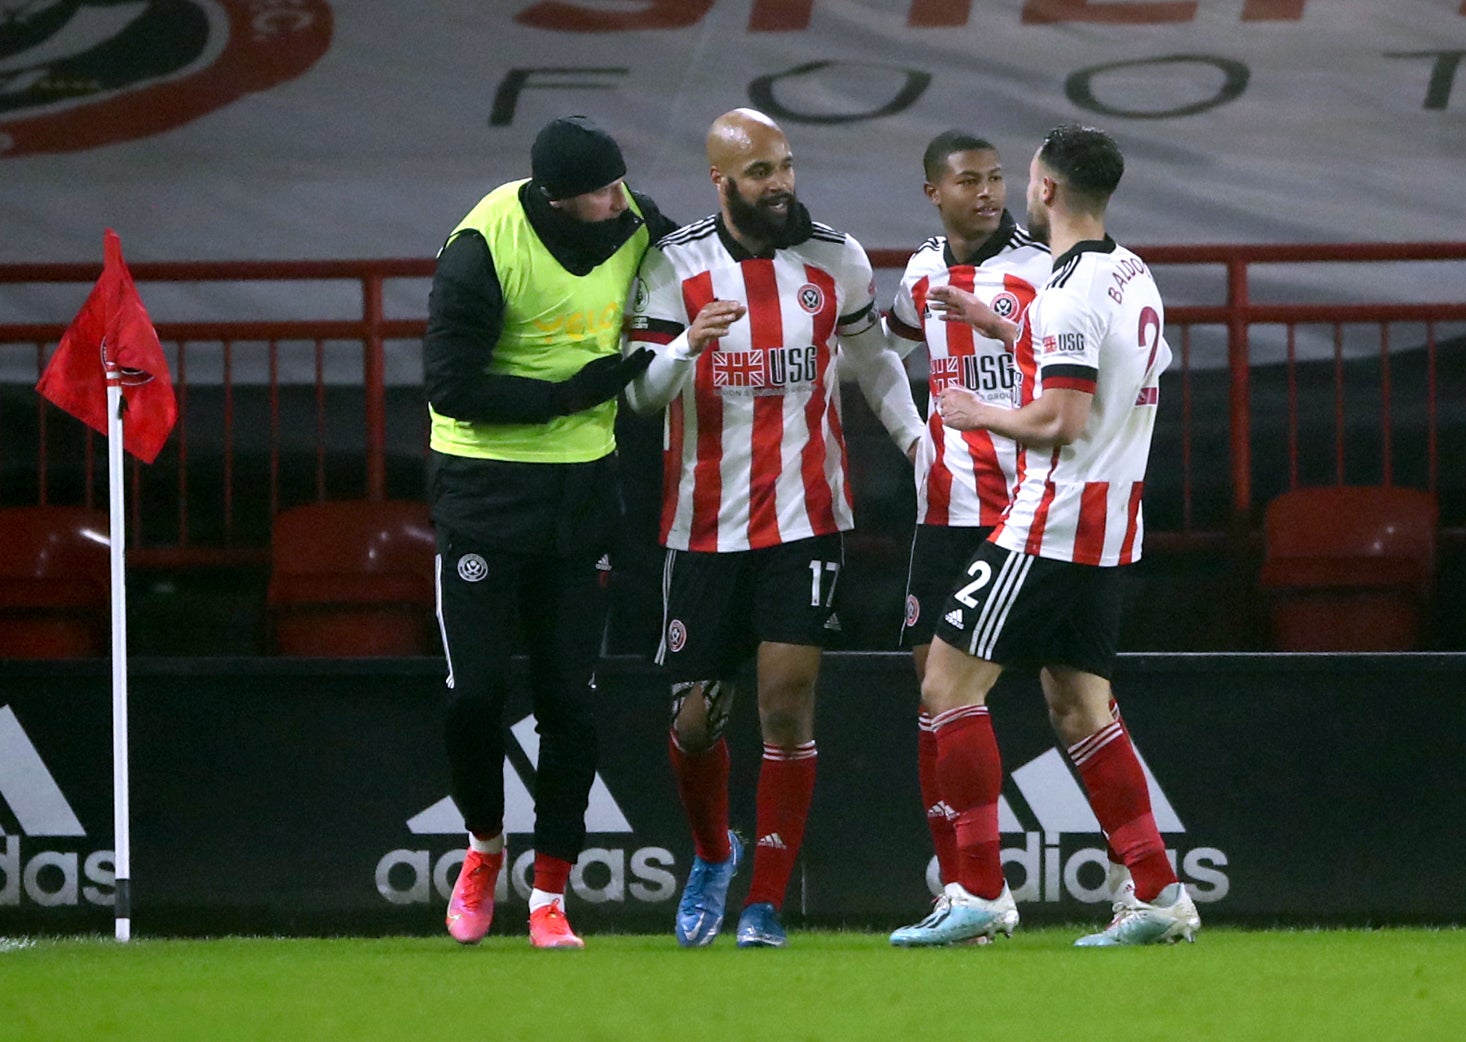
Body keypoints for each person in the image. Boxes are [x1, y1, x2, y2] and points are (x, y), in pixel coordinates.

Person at [888, 124, 1199, 947]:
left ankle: (980, 891)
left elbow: (1060, 417)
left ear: (1047, 191)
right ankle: (1160, 893)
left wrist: (979, 411)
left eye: (1020, 176)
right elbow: (1132, 369)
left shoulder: (1063, 294)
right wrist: (995, 323)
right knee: (1079, 706)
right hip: (1111, 526)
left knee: (947, 687)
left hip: (1050, 522)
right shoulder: (1131, 273)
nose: (1012, 189)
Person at [623, 107, 924, 948]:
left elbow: (873, 363)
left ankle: (762, 901)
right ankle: (715, 853)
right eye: (761, 173)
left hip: (806, 519)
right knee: (695, 722)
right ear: (720, 181)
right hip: (702, 525)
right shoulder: (672, 264)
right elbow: (640, 396)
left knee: (786, 707)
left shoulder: (837, 257)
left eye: (786, 165)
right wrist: (687, 345)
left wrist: (916, 443)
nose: (781, 184)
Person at [424, 114, 677, 949]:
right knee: (476, 697)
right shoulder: (481, 249)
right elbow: (451, 387)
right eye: (603, 193)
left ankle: (550, 895)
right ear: (558, 201)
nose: (622, 202)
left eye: (620, 183)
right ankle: (483, 849)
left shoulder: (631, 219)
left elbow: (707, 254)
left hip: (581, 494)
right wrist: (576, 392)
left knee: (571, 700)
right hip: (483, 492)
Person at [884, 131, 1050, 895]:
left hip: (1029, 508)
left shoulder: (1045, 270)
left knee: (1071, 690)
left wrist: (999, 330)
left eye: (995, 178)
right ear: (934, 193)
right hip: (946, 507)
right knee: (934, 692)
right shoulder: (920, 271)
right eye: (968, 181)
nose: (986, 192)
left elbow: (1078, 368)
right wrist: (912, 434)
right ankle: (961, 882)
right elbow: (887, 347)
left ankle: (1134, 877)